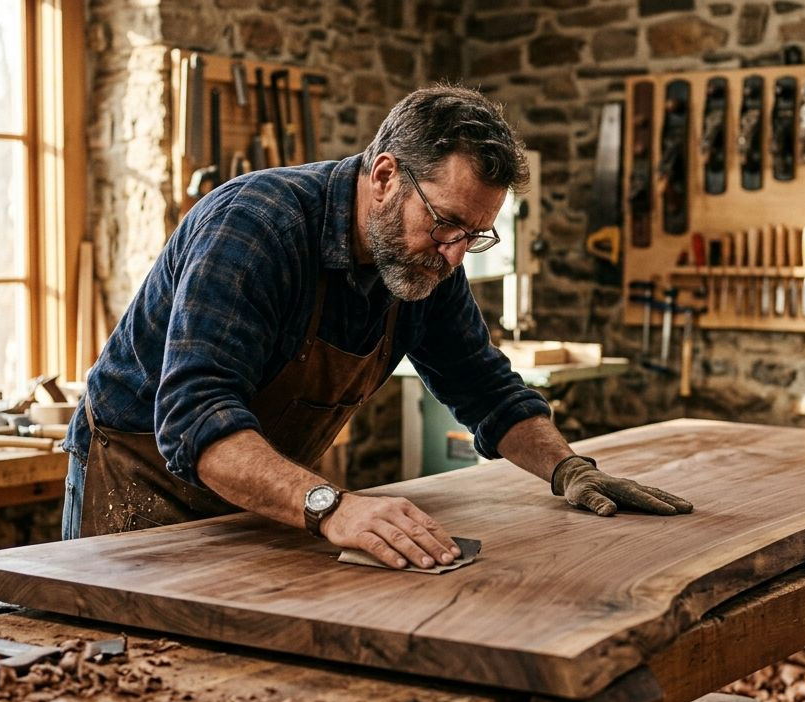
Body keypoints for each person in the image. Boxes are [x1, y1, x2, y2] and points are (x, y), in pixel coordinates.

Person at [61, 84, 692, 569]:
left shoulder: (423, 265)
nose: (453, 253)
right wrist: (330, 506)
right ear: (386, 176)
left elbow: (487, 389)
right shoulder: (256, 227)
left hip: (260, 500)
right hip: (143, 490)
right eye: (446, 223)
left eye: (475, 236)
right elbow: (197, 420)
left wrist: (569, 470)